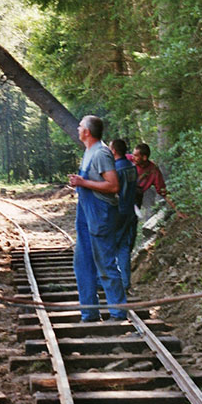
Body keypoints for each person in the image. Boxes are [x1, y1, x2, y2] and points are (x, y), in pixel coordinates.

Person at [68, 115, 127, 322]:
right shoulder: (88, 151)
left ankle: (118, 314)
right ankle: (89, 312)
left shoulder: (101, 153)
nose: (77, 128)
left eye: (80, 126)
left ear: (87, 132)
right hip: (86, 212)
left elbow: (113, 186)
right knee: (83, 262)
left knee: (105, 263)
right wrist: (80, 182)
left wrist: (83, 183)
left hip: (101, 213)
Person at [128, 143, 187, 219]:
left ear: (144, 157)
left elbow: (163, 191)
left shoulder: (153, 171)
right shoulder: (127, 159)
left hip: (136, 197)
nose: (133, 157)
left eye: (136, 156)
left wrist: (178, 210)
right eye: (133, 154)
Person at [109, 139, 137, 293]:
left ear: (113, 151)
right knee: (124, 248)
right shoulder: (132, 167)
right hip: (130, 212)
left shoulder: (116, 170)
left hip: (118, 212)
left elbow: (112, 190)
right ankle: (126, 283)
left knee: (109, 246)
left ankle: (109, 283)